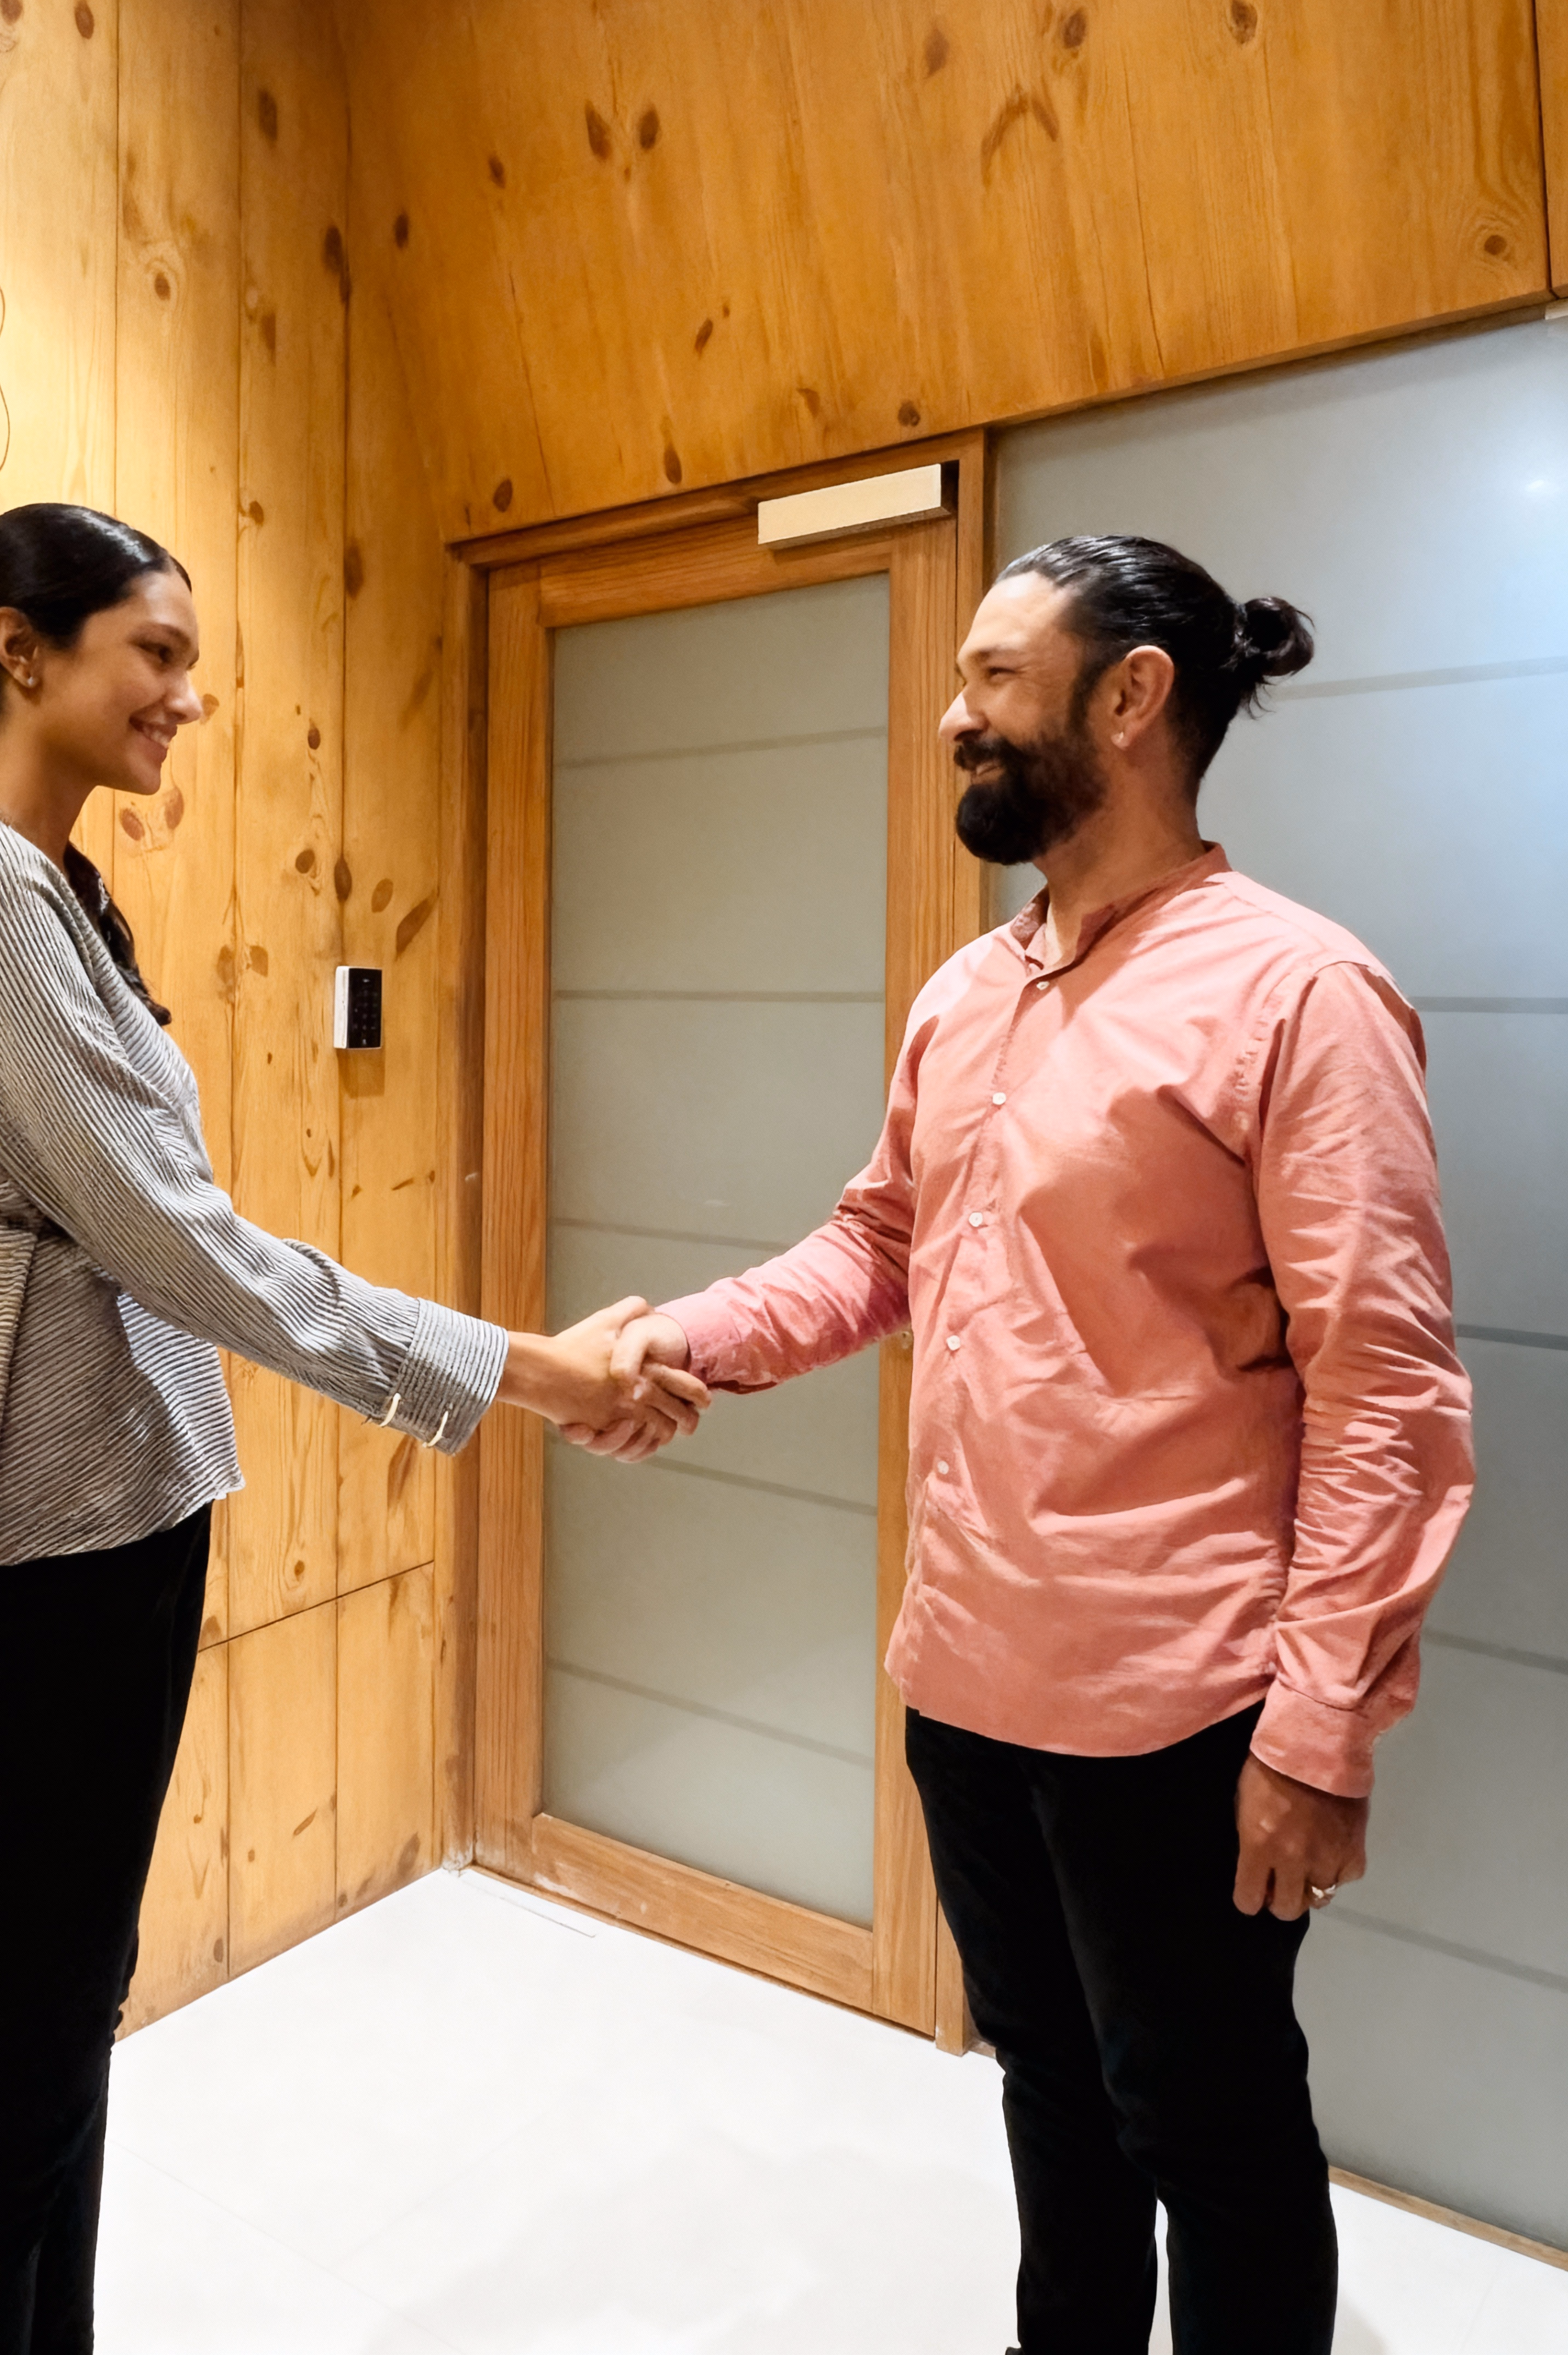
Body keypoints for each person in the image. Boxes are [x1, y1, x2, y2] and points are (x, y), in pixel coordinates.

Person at [0, 501, 705, 2355]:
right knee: (24, 2046)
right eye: (154, 652)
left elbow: (152, 1236)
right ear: (19, 648)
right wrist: (521, 1369)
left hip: (105, 1501)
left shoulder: (27, 876)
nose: (187, 698)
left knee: (60, 2018)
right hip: (32, 1523)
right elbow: (174, 1241)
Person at [574, 535, 1472, 2355]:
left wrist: (1320, 1730)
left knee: (1210, 2142)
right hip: (964, 1686)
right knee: (1050, 2104)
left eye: (993, 678)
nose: (950, 715)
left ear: (1131, 696)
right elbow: (878, 1248)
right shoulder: (966, 996)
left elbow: (1385, 1395)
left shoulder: (1302, 995)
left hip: (1183, 1711)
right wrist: (683, 1340)